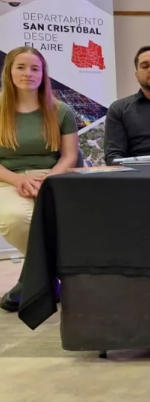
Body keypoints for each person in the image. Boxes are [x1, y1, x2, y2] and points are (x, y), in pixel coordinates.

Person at [0, 47, 79, 312]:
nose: (28, 73)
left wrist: (49, 180)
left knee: (70, 222)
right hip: (8, 180)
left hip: (54, 178)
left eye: (35, 68)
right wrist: (18, 180)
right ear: (9, 72)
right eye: (21, 67)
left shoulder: (62, 110)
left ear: (43, 74)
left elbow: (69, 156)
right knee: (16, 220)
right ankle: (49, 276)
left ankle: (32, 280)